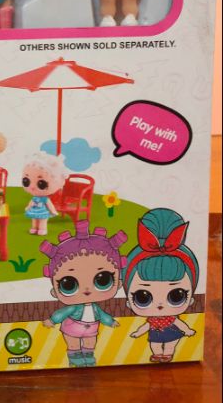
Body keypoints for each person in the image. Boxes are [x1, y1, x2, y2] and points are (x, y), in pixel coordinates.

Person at [41, 220, 127, 367]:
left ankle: (89, 358)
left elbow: (102, 315)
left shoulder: (95, 308)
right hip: (72, 328)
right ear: (54, 291)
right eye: (69, 284)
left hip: (91, 329)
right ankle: (75, 360)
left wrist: (110, 322)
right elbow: (63, 312)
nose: (87, 290)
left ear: (118, 283)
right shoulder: (74, 307)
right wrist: (53, 320)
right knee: (73, 345)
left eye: (103, 280)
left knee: (90, 344)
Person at [123, 208, 199, 363]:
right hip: (155, 335)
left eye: (176, 296)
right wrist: (138, 333)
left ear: (191, 299)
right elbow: (145, 327)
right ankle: (158, 354)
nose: (159, 305)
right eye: (142, 297)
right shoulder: (152, 321)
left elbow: (180, 324)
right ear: (128, 301)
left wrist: (188, 330)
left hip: (172, 333)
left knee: (170, 344)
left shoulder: (172, 318)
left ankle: (168, 354)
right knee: (154, 345)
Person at [22, 152, 66, 235]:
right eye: (26, 181)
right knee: (34, 219)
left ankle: (42, 229)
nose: (32, 187)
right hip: (34, 211)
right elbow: (31, 203)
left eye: (41, 183)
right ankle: (34, 228)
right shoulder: (34, 198)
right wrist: (28, 207)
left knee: (42, 220)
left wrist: (53, 211)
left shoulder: (45, 199)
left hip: (43, 212)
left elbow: (49, 205)